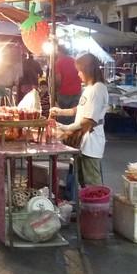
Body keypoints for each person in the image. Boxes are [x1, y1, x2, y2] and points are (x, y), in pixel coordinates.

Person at [50, 52, 109, 186]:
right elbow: (80, 109)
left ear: (87, 71)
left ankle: (96, 206)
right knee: (83, 181)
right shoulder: (89, 88)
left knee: (92, 183)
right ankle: (85, 205)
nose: (78, 74)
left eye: (80, 71)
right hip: (84, 142)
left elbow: (88, 121)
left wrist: (64, 127)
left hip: (92, 142)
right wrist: (61, 112)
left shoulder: (98, 89)